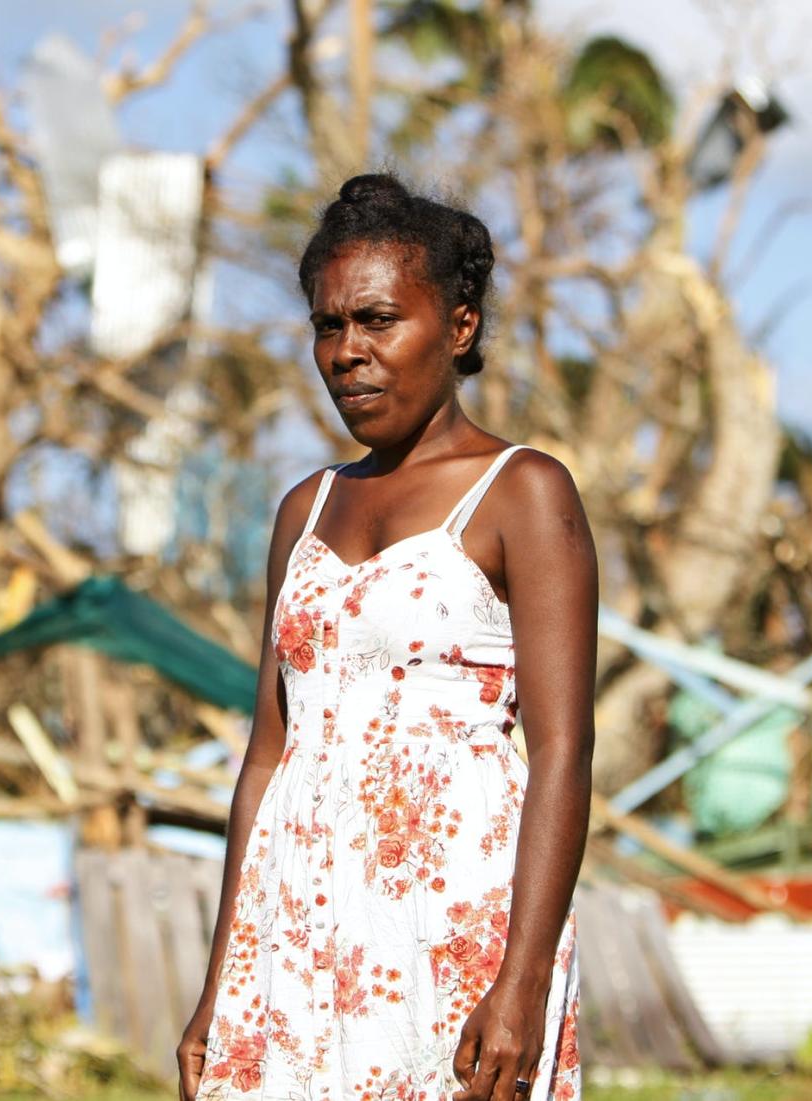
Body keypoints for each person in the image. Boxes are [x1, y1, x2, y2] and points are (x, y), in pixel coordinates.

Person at [176, 173, 597, 1101]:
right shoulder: (304, 507)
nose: (348, 353)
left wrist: (520, 984)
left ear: (458, 326)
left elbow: (563, 750)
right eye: (329, 326)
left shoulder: (523, 491)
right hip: (294, 925)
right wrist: (219, 986)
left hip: (453, 923)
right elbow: (265, 759)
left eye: (378, 321)